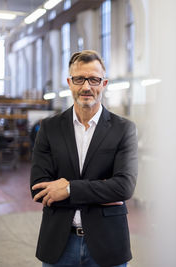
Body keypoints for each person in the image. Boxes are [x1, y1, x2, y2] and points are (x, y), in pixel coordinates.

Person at [30, 50, 138, 267]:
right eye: (79, 79)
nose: (86, 87)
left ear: (104, 83)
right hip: (59, 243)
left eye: (94, 79)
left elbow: (124, 187)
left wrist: (68, 189)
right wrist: (102, 188)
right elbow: (39, 188)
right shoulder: (49, 128)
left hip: (108, 243)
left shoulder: (124, 129)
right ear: (70, 82)